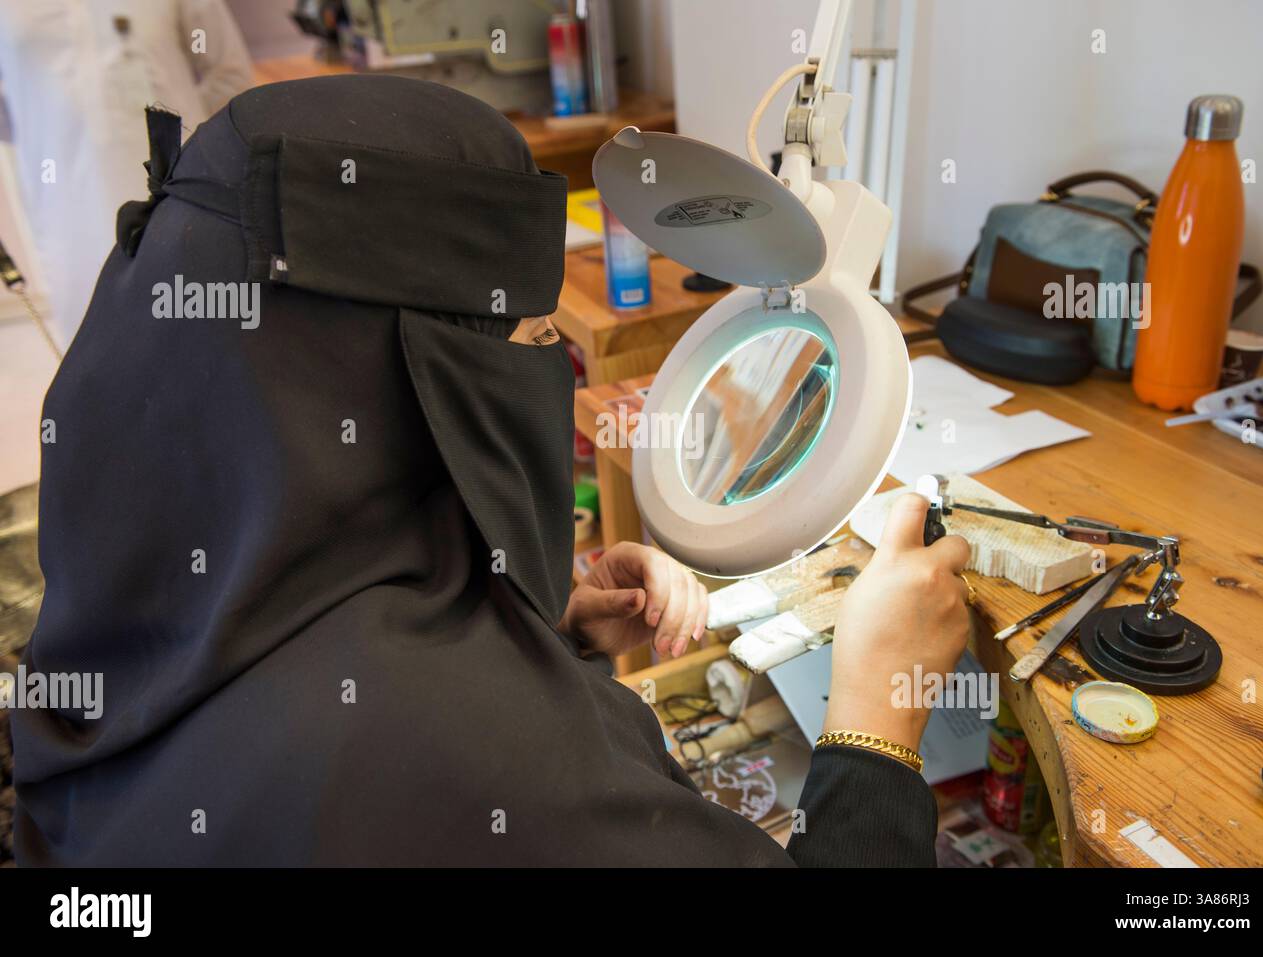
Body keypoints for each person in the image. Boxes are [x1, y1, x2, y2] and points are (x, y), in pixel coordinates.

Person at [11, 74, 971, 866]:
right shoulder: (465, 758)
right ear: (416, 374)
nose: (543, 362)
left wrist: (531, 629)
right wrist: (880, 711)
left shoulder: (130, 565)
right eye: (532, 335)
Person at [0, 0, 253, 349]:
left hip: (185, 206)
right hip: (68, 220)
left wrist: (192, 143)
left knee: (205, 351)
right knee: (95, 357)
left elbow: (230, 76)